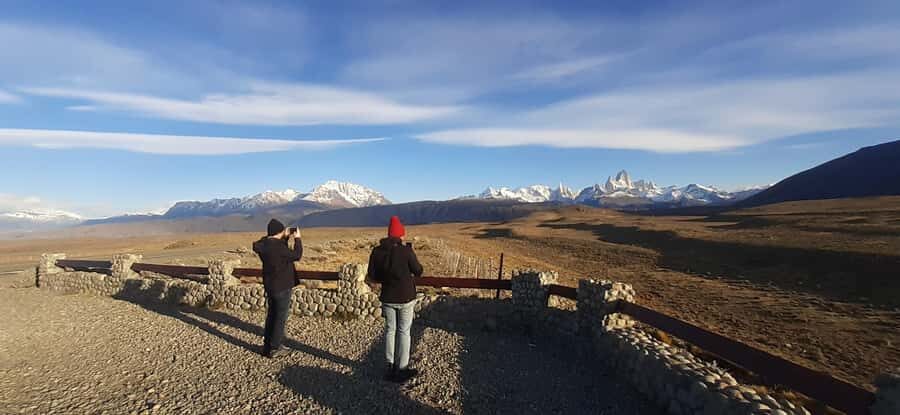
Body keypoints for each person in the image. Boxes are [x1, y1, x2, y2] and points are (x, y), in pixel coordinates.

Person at [367, 215, 424, 382]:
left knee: (390, 330)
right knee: (404, 332)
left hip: (387, 297)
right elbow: (418, 271)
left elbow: (372, 276)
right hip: (406, 297)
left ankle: (390, 366)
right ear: (400, 235)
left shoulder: (377, 251)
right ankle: (402, 368)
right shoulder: (406, 251)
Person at [252, 219, 302, 358]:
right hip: (282, 286)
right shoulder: (278, 248)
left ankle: (267, 346)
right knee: (280, 318)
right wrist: (297, 239)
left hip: (270, 285)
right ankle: (275, 348)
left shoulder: (264, 245)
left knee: (271, 316)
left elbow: (276, 246)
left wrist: (283, 236)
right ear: (278, 232)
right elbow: (297, 255)